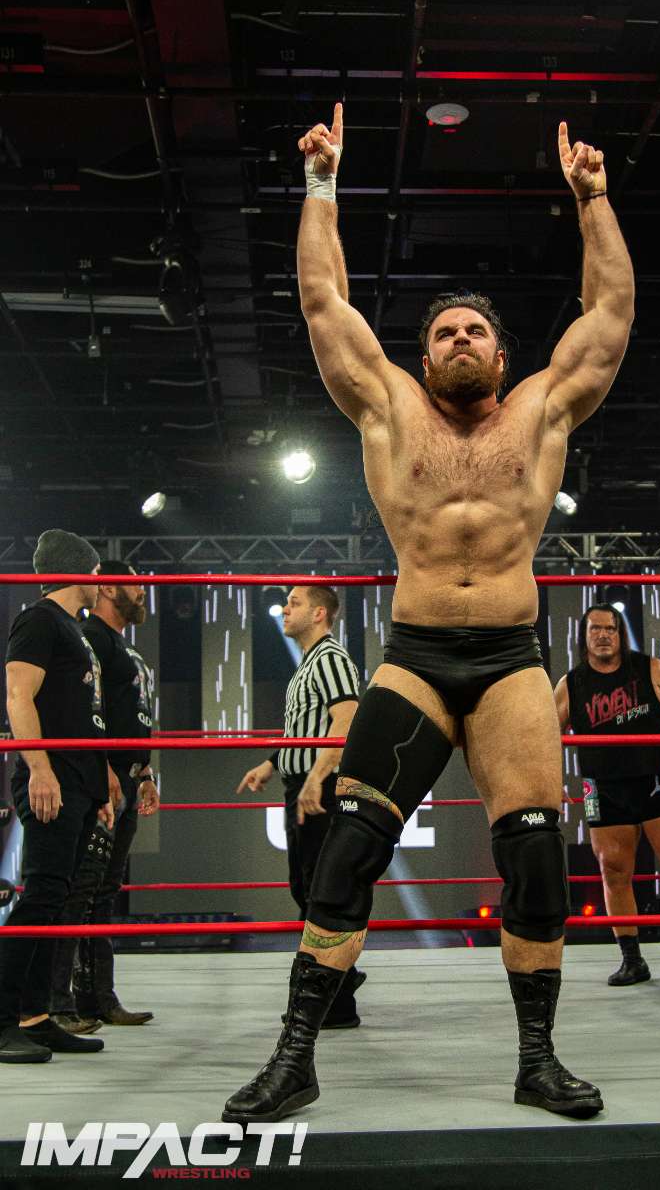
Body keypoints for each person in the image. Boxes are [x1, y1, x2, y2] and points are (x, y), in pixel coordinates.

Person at [223, 104, 634, 1124]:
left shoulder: (541, 409)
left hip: (508, 662)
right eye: (444, 330)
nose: (459, 339)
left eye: (475, 330)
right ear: (423, 353)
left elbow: (611, 312)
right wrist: (320, 183)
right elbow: (322, 300)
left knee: (534, 853)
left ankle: (538, 1060)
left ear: (501, 355)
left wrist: (592, 199)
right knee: (348, 849)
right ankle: (295, 1058)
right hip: (413, 658)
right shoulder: (390, 407)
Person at [554, 604, 660, 987]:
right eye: (595, 629)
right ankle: (631, 959)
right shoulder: (571, 684)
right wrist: (550, 779)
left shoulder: (650, 669)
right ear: (584, 637)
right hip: (602, 785)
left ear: (620, 634)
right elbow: (545, 734)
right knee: (613, 869)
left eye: (610, 629)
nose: (603, 635)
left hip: (656, 780)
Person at [0, 530, 111, 1062]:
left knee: (58, 899)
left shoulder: (74, 629)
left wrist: (99, 784)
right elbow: (18, 696)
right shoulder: (40, 620)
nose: (100, 583)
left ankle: (35, 1016)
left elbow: (84, 713)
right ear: (79, 571)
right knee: (43, 895)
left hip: (79, 780)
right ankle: (2, 1020)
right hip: (52, 778)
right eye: (96, 573)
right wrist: (39, 768)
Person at [237, 585, 362, 1027]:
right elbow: (305, 730)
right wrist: (272, 763)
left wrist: (315, 777)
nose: (286, 609)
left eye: (295, 603)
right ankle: (339, 982)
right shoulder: (309, 662)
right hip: (304, 784)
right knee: (306, 888)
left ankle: (337, 1000)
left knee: (321, 893)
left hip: (321, 788)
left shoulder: (330, 659)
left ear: (319, 613)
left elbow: (346, 719)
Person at [49, 562, 159, 1033]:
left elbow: (133, 715)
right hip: (103, 781)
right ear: (110, 587)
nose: (143, 592)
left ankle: (98, 997)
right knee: (81, 889)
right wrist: (105, 769)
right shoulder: (90, 638)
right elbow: (87, 709)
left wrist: (146, 771)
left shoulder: (122, 647)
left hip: (127, 778)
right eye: (135, 584)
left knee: (104, 892)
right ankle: (58, 1001)